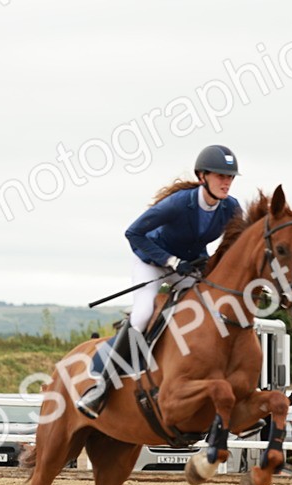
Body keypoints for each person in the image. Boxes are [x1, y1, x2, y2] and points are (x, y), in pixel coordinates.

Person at [75, 144, 243, 419]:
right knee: (143, 314)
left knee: (214, 311)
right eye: (220, 176)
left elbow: (235, 244)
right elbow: (133, 233)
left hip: (190, 266)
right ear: (202, 176)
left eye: (230, 177)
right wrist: (170, 261)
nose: (226, 182)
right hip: (152, 261)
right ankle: (101, 387)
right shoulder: (178, 203)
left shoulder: (231, 207)